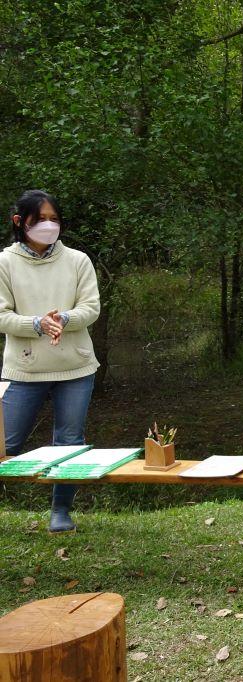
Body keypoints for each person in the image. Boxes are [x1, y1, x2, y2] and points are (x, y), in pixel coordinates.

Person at [0, 189, 100, 533]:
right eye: (39, 218)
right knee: (6, 443)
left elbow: (91, 307)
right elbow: (1, 315)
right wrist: (37, 324)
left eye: (53, 218)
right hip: (24, 369)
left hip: (76, 367)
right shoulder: (5, 263)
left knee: (70, 441)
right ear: (19, 222)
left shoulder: (77, 260)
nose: (48, 225)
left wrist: (63, 320)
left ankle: (61, 511)